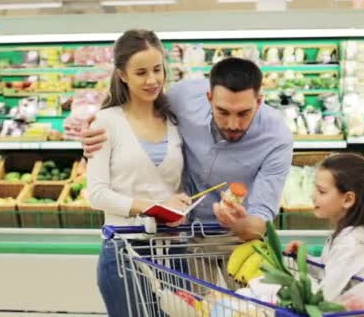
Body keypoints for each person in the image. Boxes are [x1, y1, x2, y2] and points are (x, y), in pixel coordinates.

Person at [83, 56, 294, 240]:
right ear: (209, 98)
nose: (232, 124)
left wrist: (237, 223)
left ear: (259, 101)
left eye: (243, 113)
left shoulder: (276, 137)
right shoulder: (183, 98)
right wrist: (101, 127)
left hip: (240, 238)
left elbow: (262, 216)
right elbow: (139, 113)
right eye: (223, 112)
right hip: (185, 235)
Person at [86, 29, 190, 317]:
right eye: (141, 72)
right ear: (122, 75)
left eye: (157, 69)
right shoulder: (106, 122)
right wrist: (151, 208)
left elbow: (177, 182)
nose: (152, 80)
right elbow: (96, 195)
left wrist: (181, 200)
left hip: (173, 251)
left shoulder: (174, 119)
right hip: (125, 252)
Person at [284, 153, 364, 302]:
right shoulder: (346, 235)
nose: (313, 196)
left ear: (347, 199)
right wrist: (304, 259)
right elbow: (330, 271)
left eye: (321, 191)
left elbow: (325, 295)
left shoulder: (351, 243)